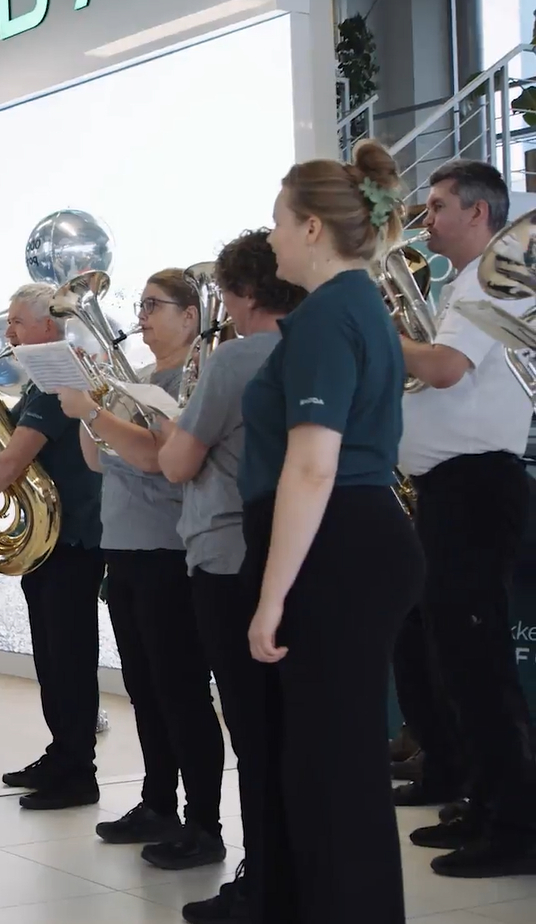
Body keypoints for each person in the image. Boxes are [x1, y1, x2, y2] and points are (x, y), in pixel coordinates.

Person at [239, 139, 425, 922]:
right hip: (356, 538)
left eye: (280, 221)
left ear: (313, 228)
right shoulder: (359, 306)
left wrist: (271, 597)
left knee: (330, 766)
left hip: (335, 545)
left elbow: (313, 468)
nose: (273, 236)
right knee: (334, 760)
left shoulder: (325, 317)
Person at [153, 231, 307, 922]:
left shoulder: (236, 359)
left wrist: (169, 427)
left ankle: (264, 881)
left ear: (243, 293)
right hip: (299, 553)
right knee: (293, 727)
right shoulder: (317, 348)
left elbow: (178, 464)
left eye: (224, 294)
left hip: (227, 555)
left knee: (252, 727)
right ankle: (299, 872)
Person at [50, 270, 227, 870]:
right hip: (125, 549)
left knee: (180, 691)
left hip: (168, 553)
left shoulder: (192, 382)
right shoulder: (140, 379)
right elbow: (97, 461)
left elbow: (156, 458)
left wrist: (96, 413)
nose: (142, 316)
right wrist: (89, 405)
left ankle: (204, 822)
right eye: (141, 305)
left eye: (155, 305)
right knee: (145, 691)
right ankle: (158, 802)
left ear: (190, 315)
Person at [392, 159, 536, 877]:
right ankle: (483, 805)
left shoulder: (495, 281)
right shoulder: (463, 284)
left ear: (479, 213)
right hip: (452, 487)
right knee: (454, 661)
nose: (427, 220)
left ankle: (516, 828)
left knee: (477, 666)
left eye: (439, 206)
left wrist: (383, 336)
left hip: (475, 486)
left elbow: (445, 368)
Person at [0, 283, 105, 811]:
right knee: (53, 658)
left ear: (47, 326)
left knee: (69, 659)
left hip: (72, 539)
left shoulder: (59, 383)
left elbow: (12, 461)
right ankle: (63, 755)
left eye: (16, 321)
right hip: (52, 542)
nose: (8, 332)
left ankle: (77, 771)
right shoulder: (39, 386)